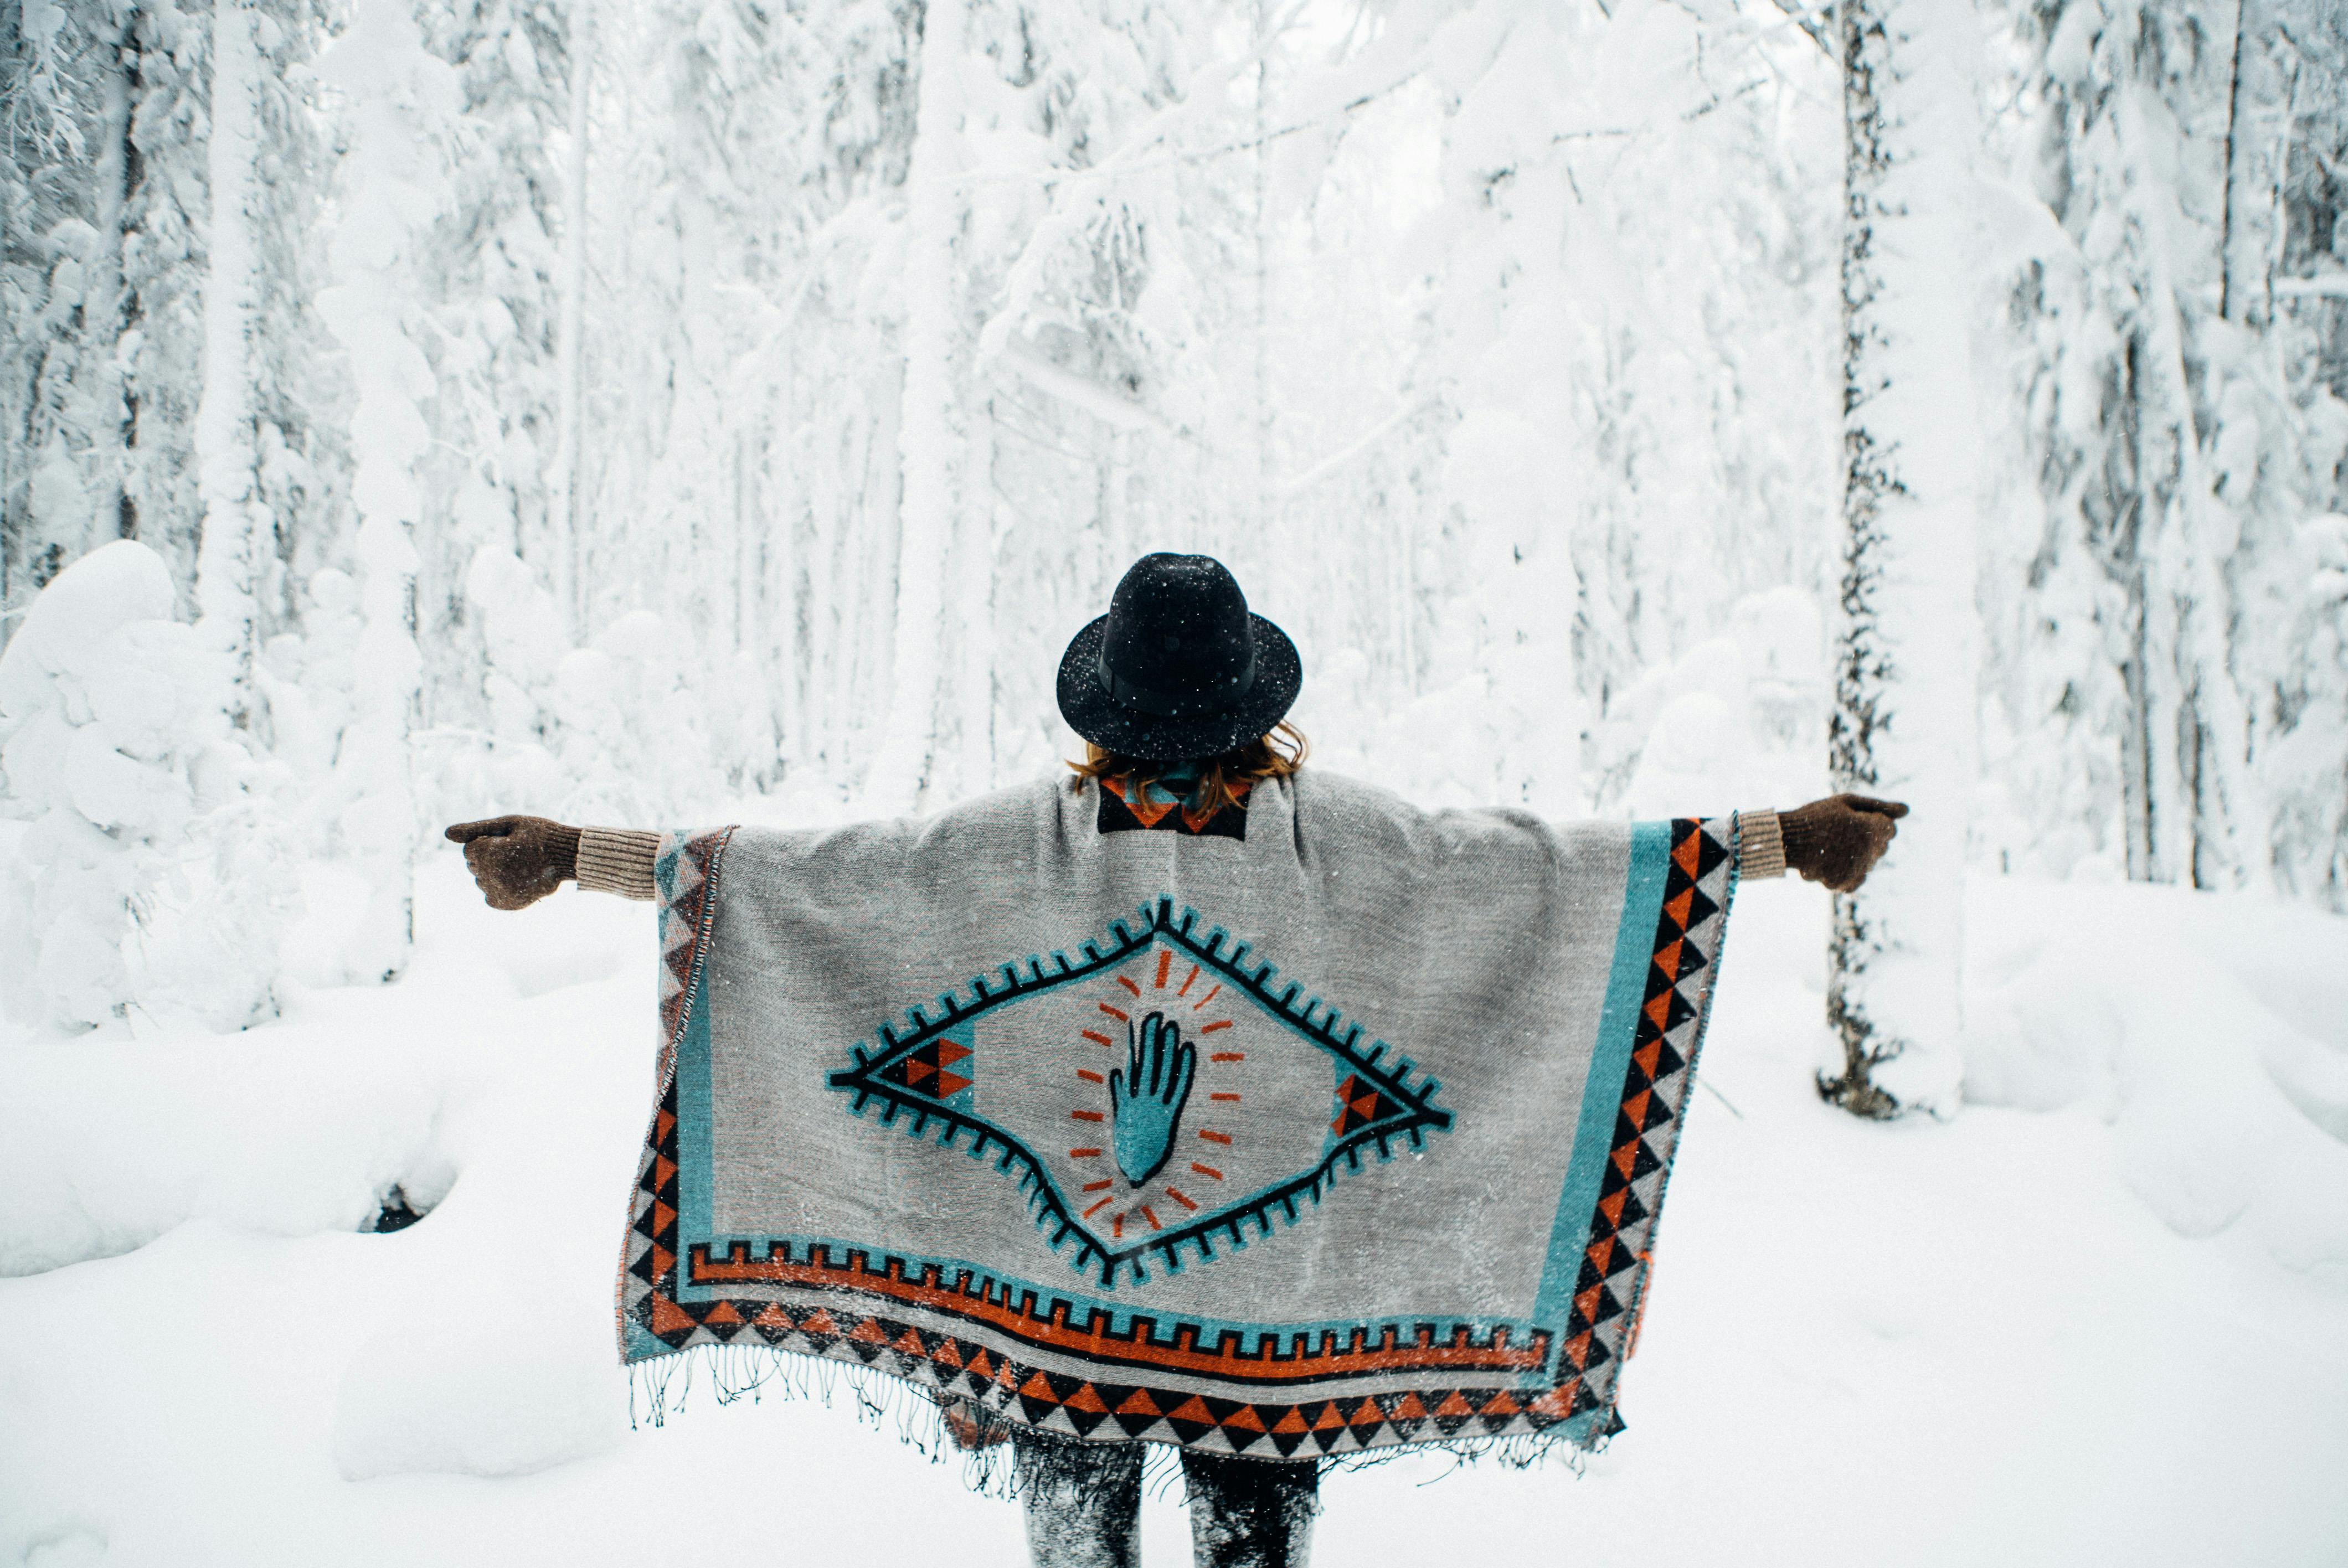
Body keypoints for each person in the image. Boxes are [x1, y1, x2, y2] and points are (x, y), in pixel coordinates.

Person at [447, 553, 1903, 1568]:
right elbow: (1546, 880)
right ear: (1253, 711)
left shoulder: (1029, 842)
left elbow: (818, 882)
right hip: (1259, 1350)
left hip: (1061, 1336)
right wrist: (1779, 840)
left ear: (1108, 706)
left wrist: (578, 857)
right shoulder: (1338, 845)